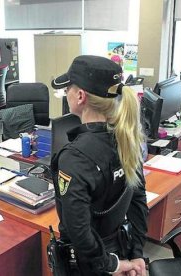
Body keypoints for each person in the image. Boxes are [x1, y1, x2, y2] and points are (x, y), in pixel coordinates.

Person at [50, 55, 148, 275]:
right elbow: (139, 202)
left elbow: (79, 231)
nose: (66, 94)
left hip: (89, 263)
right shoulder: (127, 140)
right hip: (120, 248)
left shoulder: (74, 157)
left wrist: (111, 266)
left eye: (68, 88)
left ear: (80, 96)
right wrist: (136, 254)